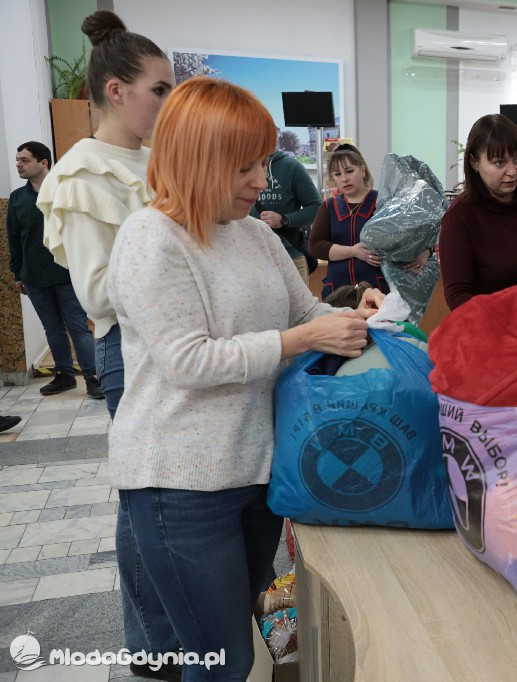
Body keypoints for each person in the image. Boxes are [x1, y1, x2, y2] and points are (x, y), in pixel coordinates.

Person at [105, 76, 377, 681]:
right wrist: (299, 341)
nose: (262, 180)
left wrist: (354, 313)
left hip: (256, 472)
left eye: (262, 163)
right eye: (245, 167)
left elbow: (306, 313)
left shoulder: (254, 234)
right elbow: (188, 360)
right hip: (179, 484)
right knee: (219, 656)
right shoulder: (151, 240)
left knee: (238, 642)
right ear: (198, 160)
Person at [35, 10, 180, 680]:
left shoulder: (156, 159)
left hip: (178, 343)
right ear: (117, 90)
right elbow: (97, 293)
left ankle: (183, 625)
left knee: (179, 502)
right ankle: (150, 643)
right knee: (143, 502)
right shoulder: (82, 173)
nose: (169, 100)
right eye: (160, 88)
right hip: (131, 350)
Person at [439, 113, 517, 310]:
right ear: (474, 162)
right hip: (493, 327)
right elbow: (458, 296)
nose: (512, 171)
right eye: (499, 162)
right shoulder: (460, 217)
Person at [8, 141, 102, 399]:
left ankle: (93, 376)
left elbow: (85, 232)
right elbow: (14, 239)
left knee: (79, 327)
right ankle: (64, 375)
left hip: (68, 274)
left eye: (24, 160)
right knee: (52, 328)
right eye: (17, 160)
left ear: (43, 163)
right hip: (35, 276)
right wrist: (18, 273)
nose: (18, 164)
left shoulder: (67, 191)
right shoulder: (17, 199)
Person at [308, 145, 404, 298]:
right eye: (338, 174)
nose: (344, 178)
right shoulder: (329, 206)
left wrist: (425, 252)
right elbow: (314, 246)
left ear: (363, 171)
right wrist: (353, 251)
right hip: (337, 294)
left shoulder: (383, 202)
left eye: (349, 171)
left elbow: (406, 238)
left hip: (379, 291)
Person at [249, 144, 322, 282]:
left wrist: (284, 219)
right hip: (252, 258)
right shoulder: (238, 168)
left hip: (290, 257)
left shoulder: (291, 167)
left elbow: (317, 207)